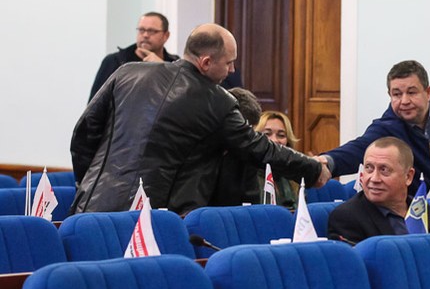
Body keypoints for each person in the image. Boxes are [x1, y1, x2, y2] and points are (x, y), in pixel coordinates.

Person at [71, 23, 329, 215]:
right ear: (205, 62)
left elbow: (84, 134)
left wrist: (87, 184)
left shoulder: (127, 73)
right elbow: (260, 149)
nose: (232, 70)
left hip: (93, 208)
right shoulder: (217, 102)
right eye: (229, 63)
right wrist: (313, 169)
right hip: (155, 219)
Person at [321, 60, 430, 195]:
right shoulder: (387, 128)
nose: (404, 101)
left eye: (411, 92)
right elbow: (357, 149)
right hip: (413, 208)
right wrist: (327, 162)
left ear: (428, 93)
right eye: (397, 94)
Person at [327, 137, 415, 244]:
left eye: (384, 170)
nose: (374, 179)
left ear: (408, 177)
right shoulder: (346, 218)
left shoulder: (423, 211)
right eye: (369, 168)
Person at [89, 12, 179, 100]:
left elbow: (180, 98)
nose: (145, 35)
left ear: (166, 35)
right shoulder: (116, 61)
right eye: (141, 30)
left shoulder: (174, 64)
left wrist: (163, 68)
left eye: (151, 31)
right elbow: (95, 103)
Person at [209, 87, 264, 207]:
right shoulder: (199, 151)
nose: (246, 137)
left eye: (250, 130)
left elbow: (251, 202)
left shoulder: (246, 156)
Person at [255, 110, 302, 209]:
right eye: (267, 134)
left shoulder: (295, 178)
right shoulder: (246, 176)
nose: (274, 140)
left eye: (281, 135)